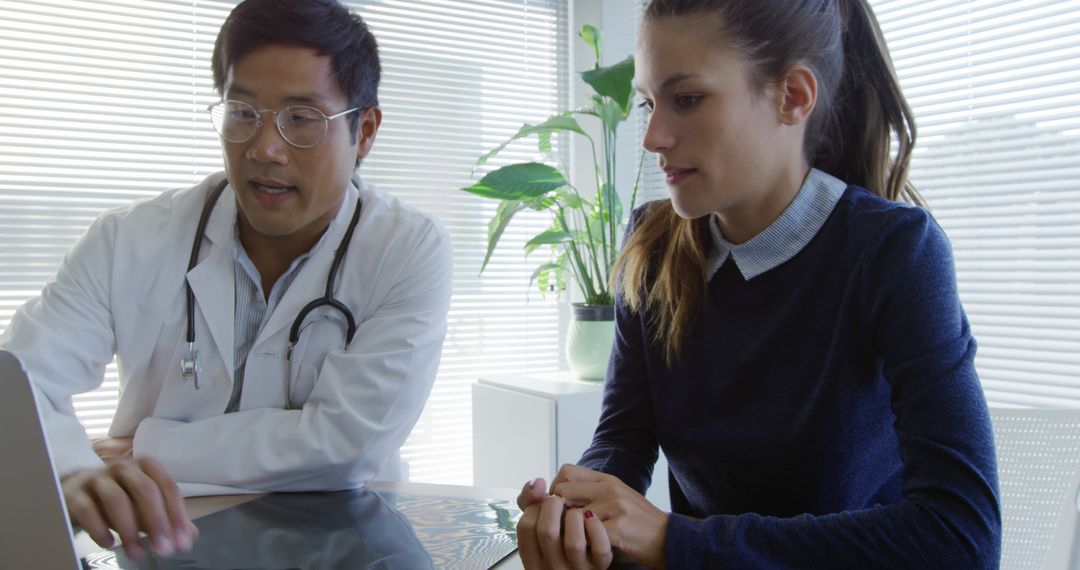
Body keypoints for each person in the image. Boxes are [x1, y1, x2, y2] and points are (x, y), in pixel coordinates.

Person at [515, 0, 1001, 568]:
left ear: (792, 96)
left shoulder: (894, 252)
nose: (652, 137)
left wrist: (676, 540)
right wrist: (580, 514)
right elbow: (624, 437)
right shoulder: (651, 241)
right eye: (650, 103)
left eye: (687, 100)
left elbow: (961, 536)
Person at [0, 0, 452, 562]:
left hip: (345, 545)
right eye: (243, 111)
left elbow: (347, 443)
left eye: (301, 119)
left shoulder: (406, 249)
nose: (264, 148)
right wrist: (70, 470)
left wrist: (145, 448)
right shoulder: (129, 239)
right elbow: (18, 385)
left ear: (364, 131)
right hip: (167, 540)